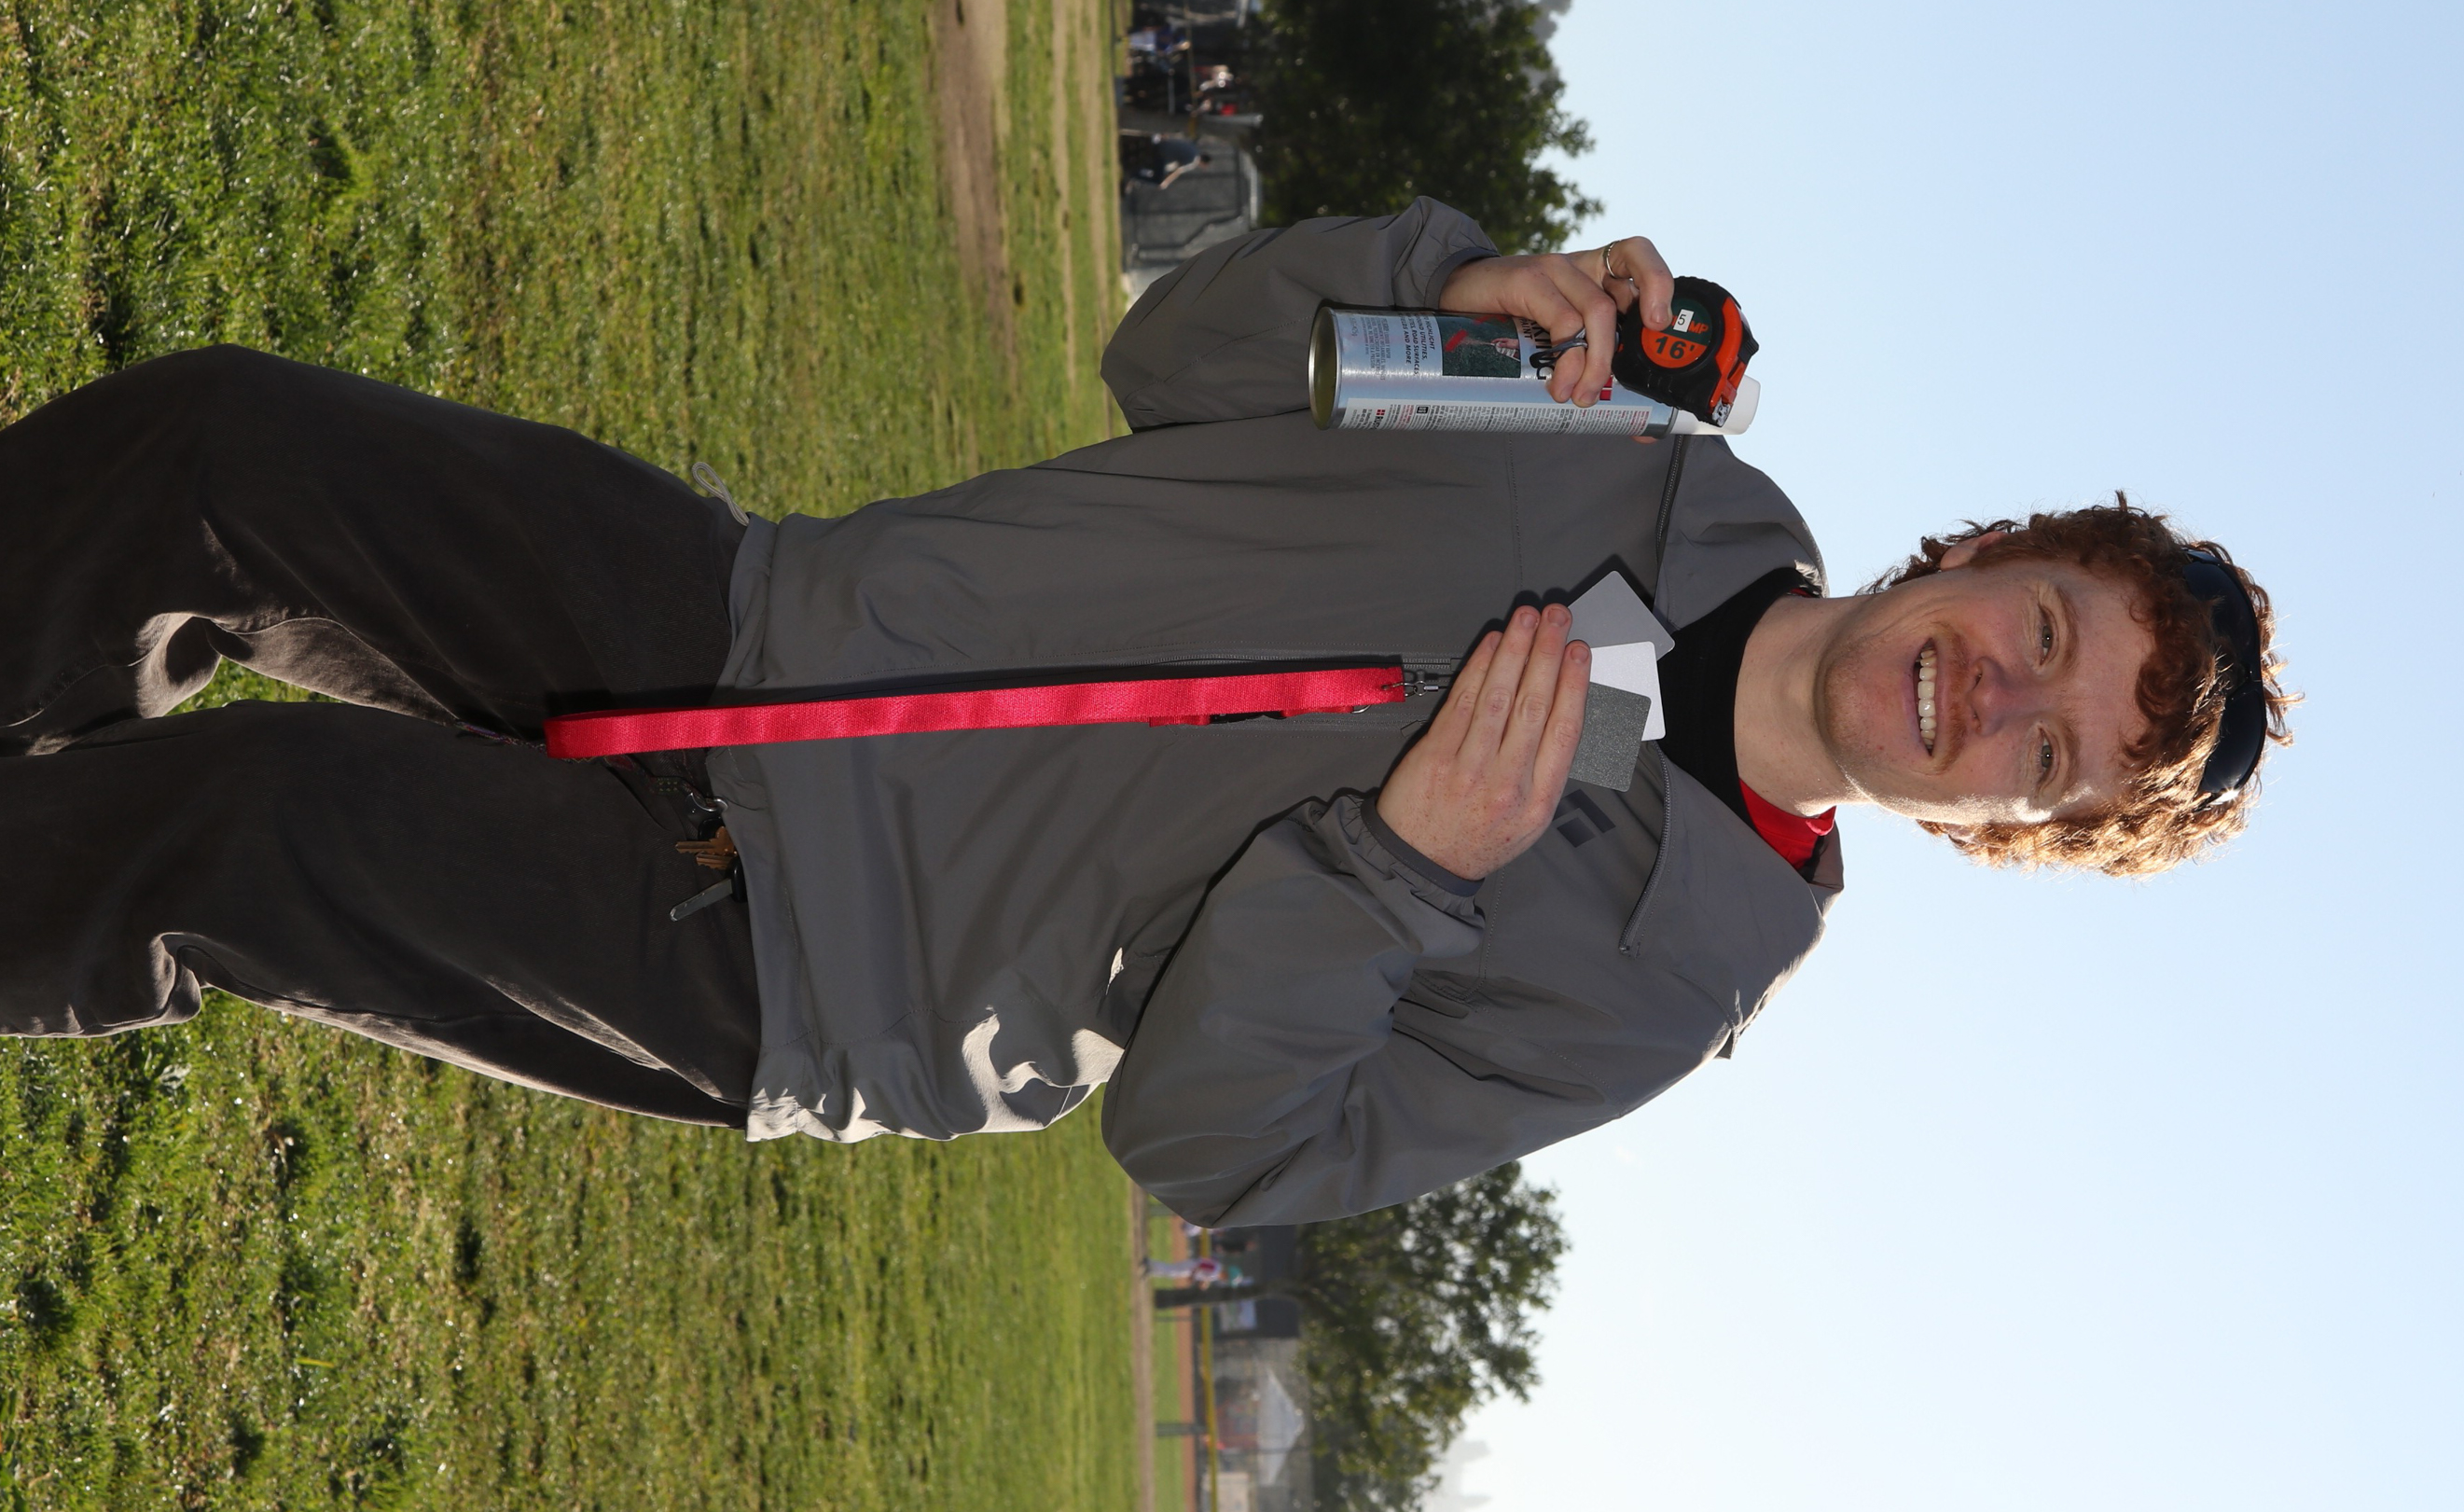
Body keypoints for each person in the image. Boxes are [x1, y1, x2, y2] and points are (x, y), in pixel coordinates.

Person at [0, 201, 2289, 1227]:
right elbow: (1169, 360)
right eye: (2046, 629)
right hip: (757, 611)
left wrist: (1390, 875)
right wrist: (1441, 286)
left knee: (246, 829)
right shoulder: (1633, 447)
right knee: (219, 451)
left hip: (806, 956)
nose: (1998, 698)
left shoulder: (1659, 981)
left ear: (1995, 832)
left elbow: (1220, 1150)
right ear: (1996, 548)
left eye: (2046, 759)